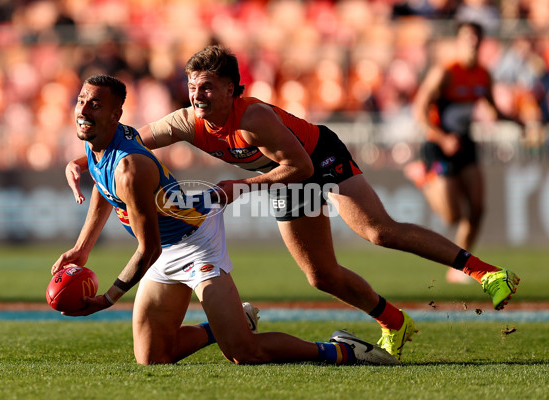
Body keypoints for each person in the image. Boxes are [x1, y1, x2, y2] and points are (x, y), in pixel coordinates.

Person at [65, 47, 520, 361]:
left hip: (317, 159)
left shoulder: (254, 118)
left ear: (232, 90)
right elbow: (125, 147)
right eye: (192, 87)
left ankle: (487, 273)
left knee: (379, 231)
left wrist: (243, 187)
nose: (197, 96)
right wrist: (84, 161)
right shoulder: (186, 121)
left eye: (207, 87)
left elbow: (300, 166)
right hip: (280, 177)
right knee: (320, 275)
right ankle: (395, 322)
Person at [52, 74, 399, 366]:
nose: (83, 109)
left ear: (116, 115)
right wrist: (82, 248)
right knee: (153, 356)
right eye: (81, 100)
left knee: (244, 352)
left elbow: (148, 248)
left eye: (95, 104)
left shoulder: (130, 167)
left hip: (194, 242)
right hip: (166, 244)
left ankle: (345, 352)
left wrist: (109, 298)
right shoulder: (96, 139)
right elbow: (102, 185)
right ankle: (228, 323)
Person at [410, 21, 524, 283]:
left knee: (477, 209)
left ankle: (459, 266)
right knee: (453, 215)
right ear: (459, 42)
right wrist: (442, 138)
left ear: (481, 41)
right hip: (439, 146)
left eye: (476, 38)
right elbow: (419, 110)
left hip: (465, 143)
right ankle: (421, 177)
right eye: (466, 38)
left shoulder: (483, 75)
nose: (471, 42)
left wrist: (517, 121)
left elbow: (493, 111)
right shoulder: (446, 72)